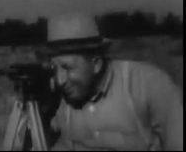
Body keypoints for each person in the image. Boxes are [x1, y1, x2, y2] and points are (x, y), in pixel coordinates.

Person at [38, 13, 183, 151]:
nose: (59, 80)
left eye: (67, 68)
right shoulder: (59, 98)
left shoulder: (148, 84)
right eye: (54, 68)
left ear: (96, 64)